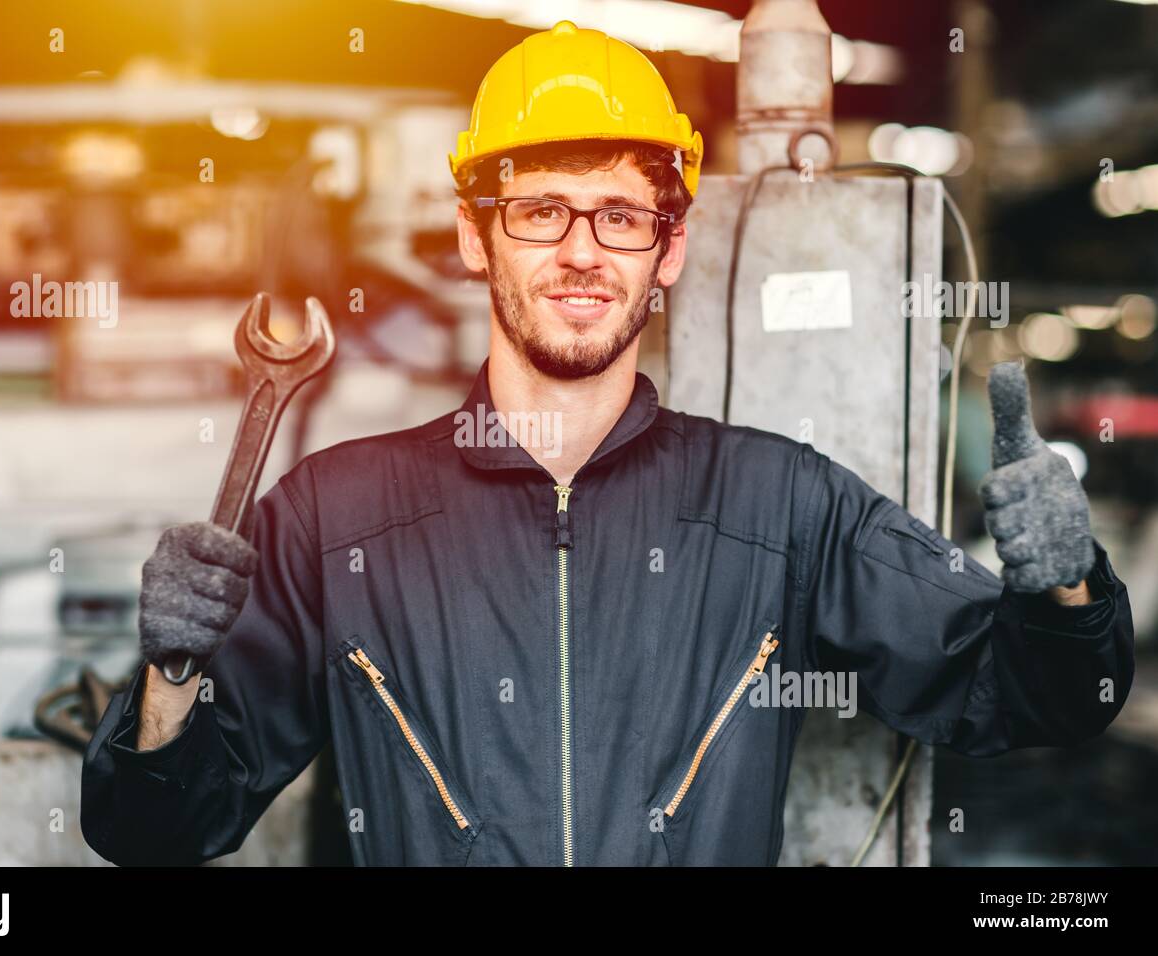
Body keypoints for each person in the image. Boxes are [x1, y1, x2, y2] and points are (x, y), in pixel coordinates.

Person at [81, 20, 1134, 866]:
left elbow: (1041, 697)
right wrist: (171, 674)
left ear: (668, 247)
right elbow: (151, 834)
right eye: (539, 209)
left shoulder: (779, 505)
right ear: (471, 233)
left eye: (619, 216)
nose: (581, 250)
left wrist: (1066, 590)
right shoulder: (335, 515)